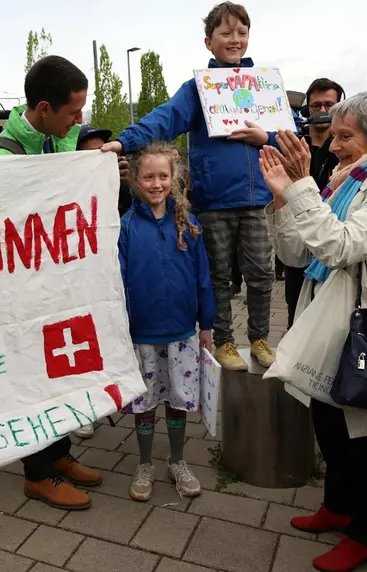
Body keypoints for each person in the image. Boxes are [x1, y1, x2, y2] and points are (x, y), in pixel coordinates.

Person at [261, 91, 367, 572]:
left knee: (366, 432)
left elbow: (339, 247)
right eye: (333, 136)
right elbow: (296, 255)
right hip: (328, 317)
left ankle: (366, 534)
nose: (334, 146)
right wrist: (282, 200)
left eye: (345, 136)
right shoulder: (342, 182)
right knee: (328, 418)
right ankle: (338, 505)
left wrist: (302, 187)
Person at [102, 1, 278, 372]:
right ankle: (225, 340)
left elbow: (288, 130)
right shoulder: (200, 88)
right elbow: (165, 119)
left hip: (256, 199)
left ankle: (260, 338)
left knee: (262, 273)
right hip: (213, 201)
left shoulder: (263, 85)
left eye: (241, 32)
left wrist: (267, 137)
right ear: (209, 42)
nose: (235, 39)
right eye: (226, 33)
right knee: (218, 277)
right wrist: (124, 141)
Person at [0, 54, 101, 510]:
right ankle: (37, 473)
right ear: (44, 108)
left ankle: (59, 452)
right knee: (31, 381)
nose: (79, 121)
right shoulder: (1, 157)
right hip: (20, 298)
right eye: (73, 112)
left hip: (56, 290)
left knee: (59, 375)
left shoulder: (57, 140)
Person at [119, 143, 214, 501]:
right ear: (135, 180)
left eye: (163, 176)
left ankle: (177, 460)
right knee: (143, 404)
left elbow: (203, 277)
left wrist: (207, 324)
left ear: (173, 178)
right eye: (148, 177)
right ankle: (144, 464)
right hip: (141, 334)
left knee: (178, 398)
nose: (156, 183)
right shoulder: (125, 227)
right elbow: (118, 282)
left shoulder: (189, 223)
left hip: (182, 333)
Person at [284, 78, 343, 329]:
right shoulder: (294, 145)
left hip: (333, 239)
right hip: (299, 241)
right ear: (306, 108)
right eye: (316, 105)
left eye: (329, 105)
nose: (322, 111)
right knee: (296, 315)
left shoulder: (344, 148)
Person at [78, 124, 133, 217]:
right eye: (92, 153)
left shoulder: (120, 178)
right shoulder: (76, 190)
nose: (99, 157)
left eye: (102, 151)